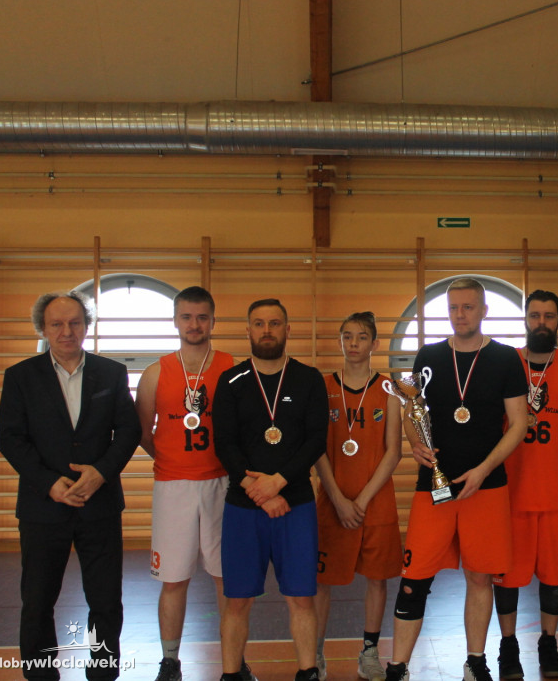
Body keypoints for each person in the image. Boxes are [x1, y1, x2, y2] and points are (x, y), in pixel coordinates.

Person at [385, 277, 528, 681]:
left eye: (468, 307)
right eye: (453, 308)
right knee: (413, 580)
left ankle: (475, 662)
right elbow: (413, 412)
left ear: (483, 310)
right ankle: (398, 666)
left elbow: (518, 424)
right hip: (434, 486)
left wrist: (484, 469)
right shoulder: (428, 356)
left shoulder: (505, 359)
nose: (460, 314)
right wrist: (415, 443)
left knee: (480, 576)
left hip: (487, 485)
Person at [0, 290, 141, 680]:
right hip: (43, 507)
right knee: (38, 601)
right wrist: (49, 483)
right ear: (43, 328)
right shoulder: (20, 376)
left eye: (75, 322)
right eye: (57, 324)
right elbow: (10, 438)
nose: (66, 331)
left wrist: (101, 472)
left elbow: (128, 430)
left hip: (100, 503)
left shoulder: (111, 373)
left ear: (86, 326)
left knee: (106, 601)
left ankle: (103, 673)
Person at [212, 298, 329, 681]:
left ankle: (308, 673)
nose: (267, 330)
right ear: (248, 330)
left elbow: (315, 440)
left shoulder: (308, 378)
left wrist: (277, 482)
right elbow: (224, 443)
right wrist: (256, 489)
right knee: (237, 601)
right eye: (259, 323)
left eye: (274, 323)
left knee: (301, 597)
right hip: (243, 507)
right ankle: (232, 675)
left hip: (295, 505)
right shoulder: (231, 380)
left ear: (287, 329)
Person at [134, 286, 236, 681]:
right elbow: (142, 430)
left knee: (228, 580)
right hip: (173, 485)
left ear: (213, 321)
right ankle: (170, 661)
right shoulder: (155, 373)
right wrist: (169, 456)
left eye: (202, 317)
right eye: (187, 317)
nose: (195, 324)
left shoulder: (231, 367)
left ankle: (234, 661)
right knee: (173, 579)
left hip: (222, 484)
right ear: (175, 320)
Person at [492, 290, 558, 680]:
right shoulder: (505, 363)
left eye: (549, 316)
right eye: (535, 315)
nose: (541, 322)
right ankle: (508, 645)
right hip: (510, 492)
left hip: (556, 490)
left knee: (554, 576)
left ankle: (548, 642)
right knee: (507, 576)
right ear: (525, 320)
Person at [314, 312, 403, 681]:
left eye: (361, 337)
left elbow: (394, 451)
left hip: (375, 500)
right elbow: (316, 448)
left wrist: (361, 501)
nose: (353, 343)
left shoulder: (390, 390)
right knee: (320, 581)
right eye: (347, 336)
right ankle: (315, 655)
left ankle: (369, 653)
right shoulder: (322, 387)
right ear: (340, 341)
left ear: (374, 344)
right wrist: (338, 499)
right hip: (332, 498)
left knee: (377, 579)